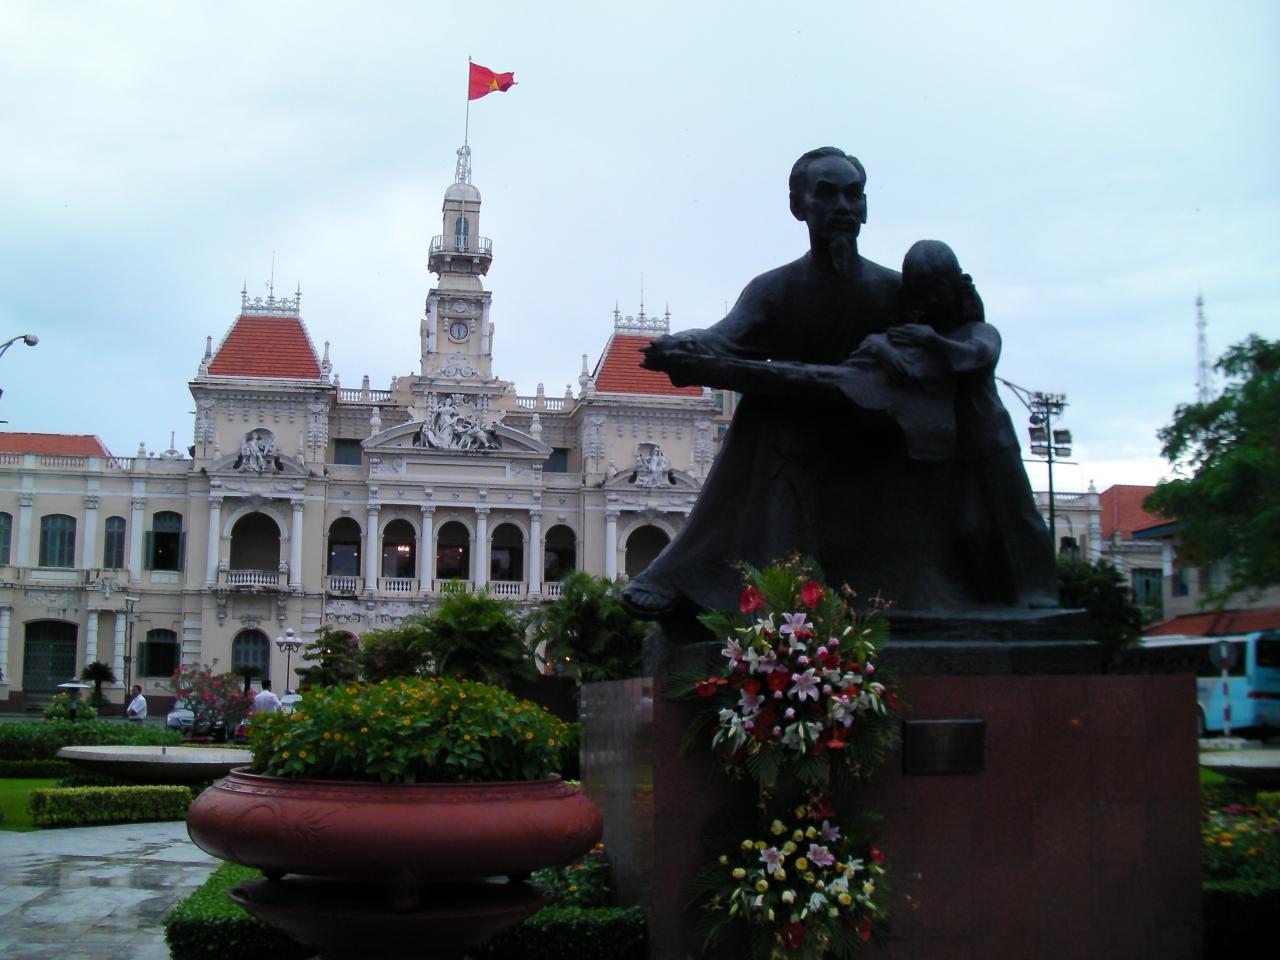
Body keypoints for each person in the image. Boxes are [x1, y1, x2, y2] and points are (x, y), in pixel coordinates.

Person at [622, 147, 903, 617]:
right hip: (801, 435)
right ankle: (697, 576)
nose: (842, 207)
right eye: (827, 194)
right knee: (765, 411)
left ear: (865, 207)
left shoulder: (893, 292)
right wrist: (686, 346)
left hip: (878, 436)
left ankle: (683, 572)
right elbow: (724, 339)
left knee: (770, 413)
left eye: (853, 195)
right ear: (799, 206)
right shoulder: (776, 289)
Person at [883, 239, 1058, 607]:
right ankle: (992, 595)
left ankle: (1040, 590)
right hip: (952, 447)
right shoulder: (919, 337)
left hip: (991, 438)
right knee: (969, 527)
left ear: (955, 286)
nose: (931, 300)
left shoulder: (979, 331)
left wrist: (932, 342)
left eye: (937, 289)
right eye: (922, 292)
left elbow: (977, 357)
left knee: (1018, 516)